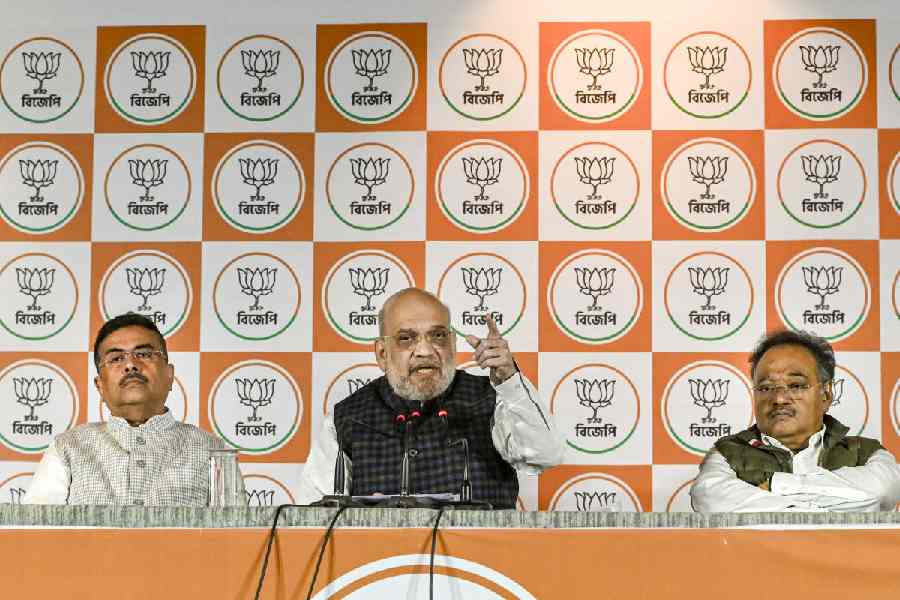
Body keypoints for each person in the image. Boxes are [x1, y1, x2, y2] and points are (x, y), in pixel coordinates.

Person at [298, 288, 565, 508]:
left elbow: (545, 454)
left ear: (453, 343)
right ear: (382, 353)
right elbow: (313, 518)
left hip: (481, 567)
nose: (425, 350)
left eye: (437, 336)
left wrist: (509, 380)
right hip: (382, 569)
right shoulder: (347, 417)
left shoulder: (492, 398)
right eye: (406, 338)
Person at [25, 313, 243, 506]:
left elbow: (235, 543)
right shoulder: (67, 448)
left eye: (145, 354)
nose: (130, 365)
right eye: (116, 358)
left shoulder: (212, 451)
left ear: (170, 375)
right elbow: (33, 538)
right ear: (99, 385)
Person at [691, 329, 900, 512]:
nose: (779, 399)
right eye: (765, 388)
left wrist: (776, 485)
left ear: (826, 395)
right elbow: (711, 500)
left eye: (796, 386)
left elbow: (882, 492)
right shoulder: (727, 453)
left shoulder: (865, 452)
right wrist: (817, 514)